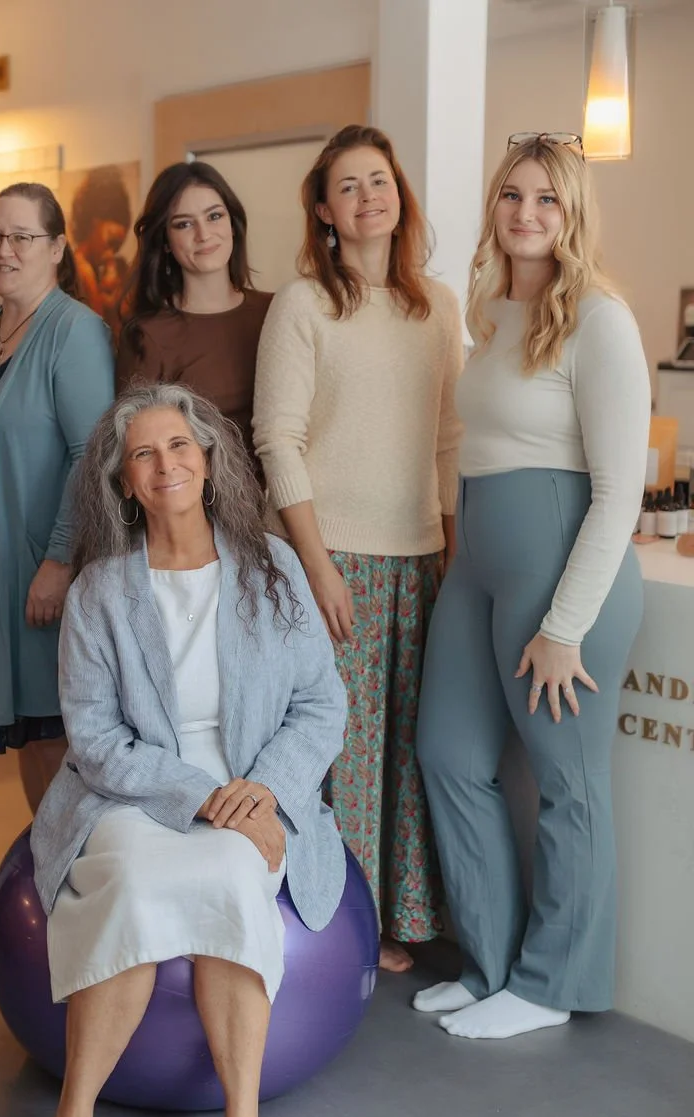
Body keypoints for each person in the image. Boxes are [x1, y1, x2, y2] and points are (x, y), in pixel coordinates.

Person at [30, 383, 347, 1117]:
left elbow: (322, 705)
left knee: (231, 876)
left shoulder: (274, 568)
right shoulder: (99, 592)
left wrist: (271, 789)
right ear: (122, 482)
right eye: (143, 453)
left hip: (252, 788)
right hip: (133, 792)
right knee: (131, 883)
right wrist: (196, 795)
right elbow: (92, 736)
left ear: (208, 464)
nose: (165, 464)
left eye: (180, 447)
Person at [414, 133, 650, 1040]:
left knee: (569, 785)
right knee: (447, 755)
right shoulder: (493, 305)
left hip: (561, 576)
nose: (525, 214)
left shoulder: (602, 318)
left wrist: (565, 625)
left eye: (548, 200)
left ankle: (553, 986)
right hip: (477, 565)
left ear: (574, 213)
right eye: (512, 195)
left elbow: (620, 492)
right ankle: (494, 964)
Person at [252, 124, 463, 973]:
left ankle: (396, 915)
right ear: (324, 209)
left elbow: (447, 442)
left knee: (404, 746)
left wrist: (450, 551)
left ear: (399, 196)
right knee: (338, 750)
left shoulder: (437, 308)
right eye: (349, 185)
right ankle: (336, 921)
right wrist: (317, 564)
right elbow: (277, 438)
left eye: (380, 180)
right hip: (329, 558)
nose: (369, 195)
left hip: (418, 557)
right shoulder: (305, 304)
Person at [0, 182, 115, 813]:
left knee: (53, 734)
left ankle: (66, 880)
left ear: (58, 247)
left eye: (21, 236)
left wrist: (59, 561)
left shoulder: (75, 331)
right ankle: (45, 874)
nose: (4, 249)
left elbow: (90, 453)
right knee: (23, 733)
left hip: (40, 568)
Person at [116, 161, 272, 474]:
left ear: (232, 223)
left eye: (214, 216)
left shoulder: (276, 311)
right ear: (165, 240)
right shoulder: (148, 335)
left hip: (282, 509)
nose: (204, 234)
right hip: (197, 514)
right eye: (184, 224)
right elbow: (138, 457)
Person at [69, 165, 132, 337]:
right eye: (110, 243)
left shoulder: (103, 270)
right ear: (94, 222)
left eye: (116, 247)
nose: (110, 254)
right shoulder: (83, 271)